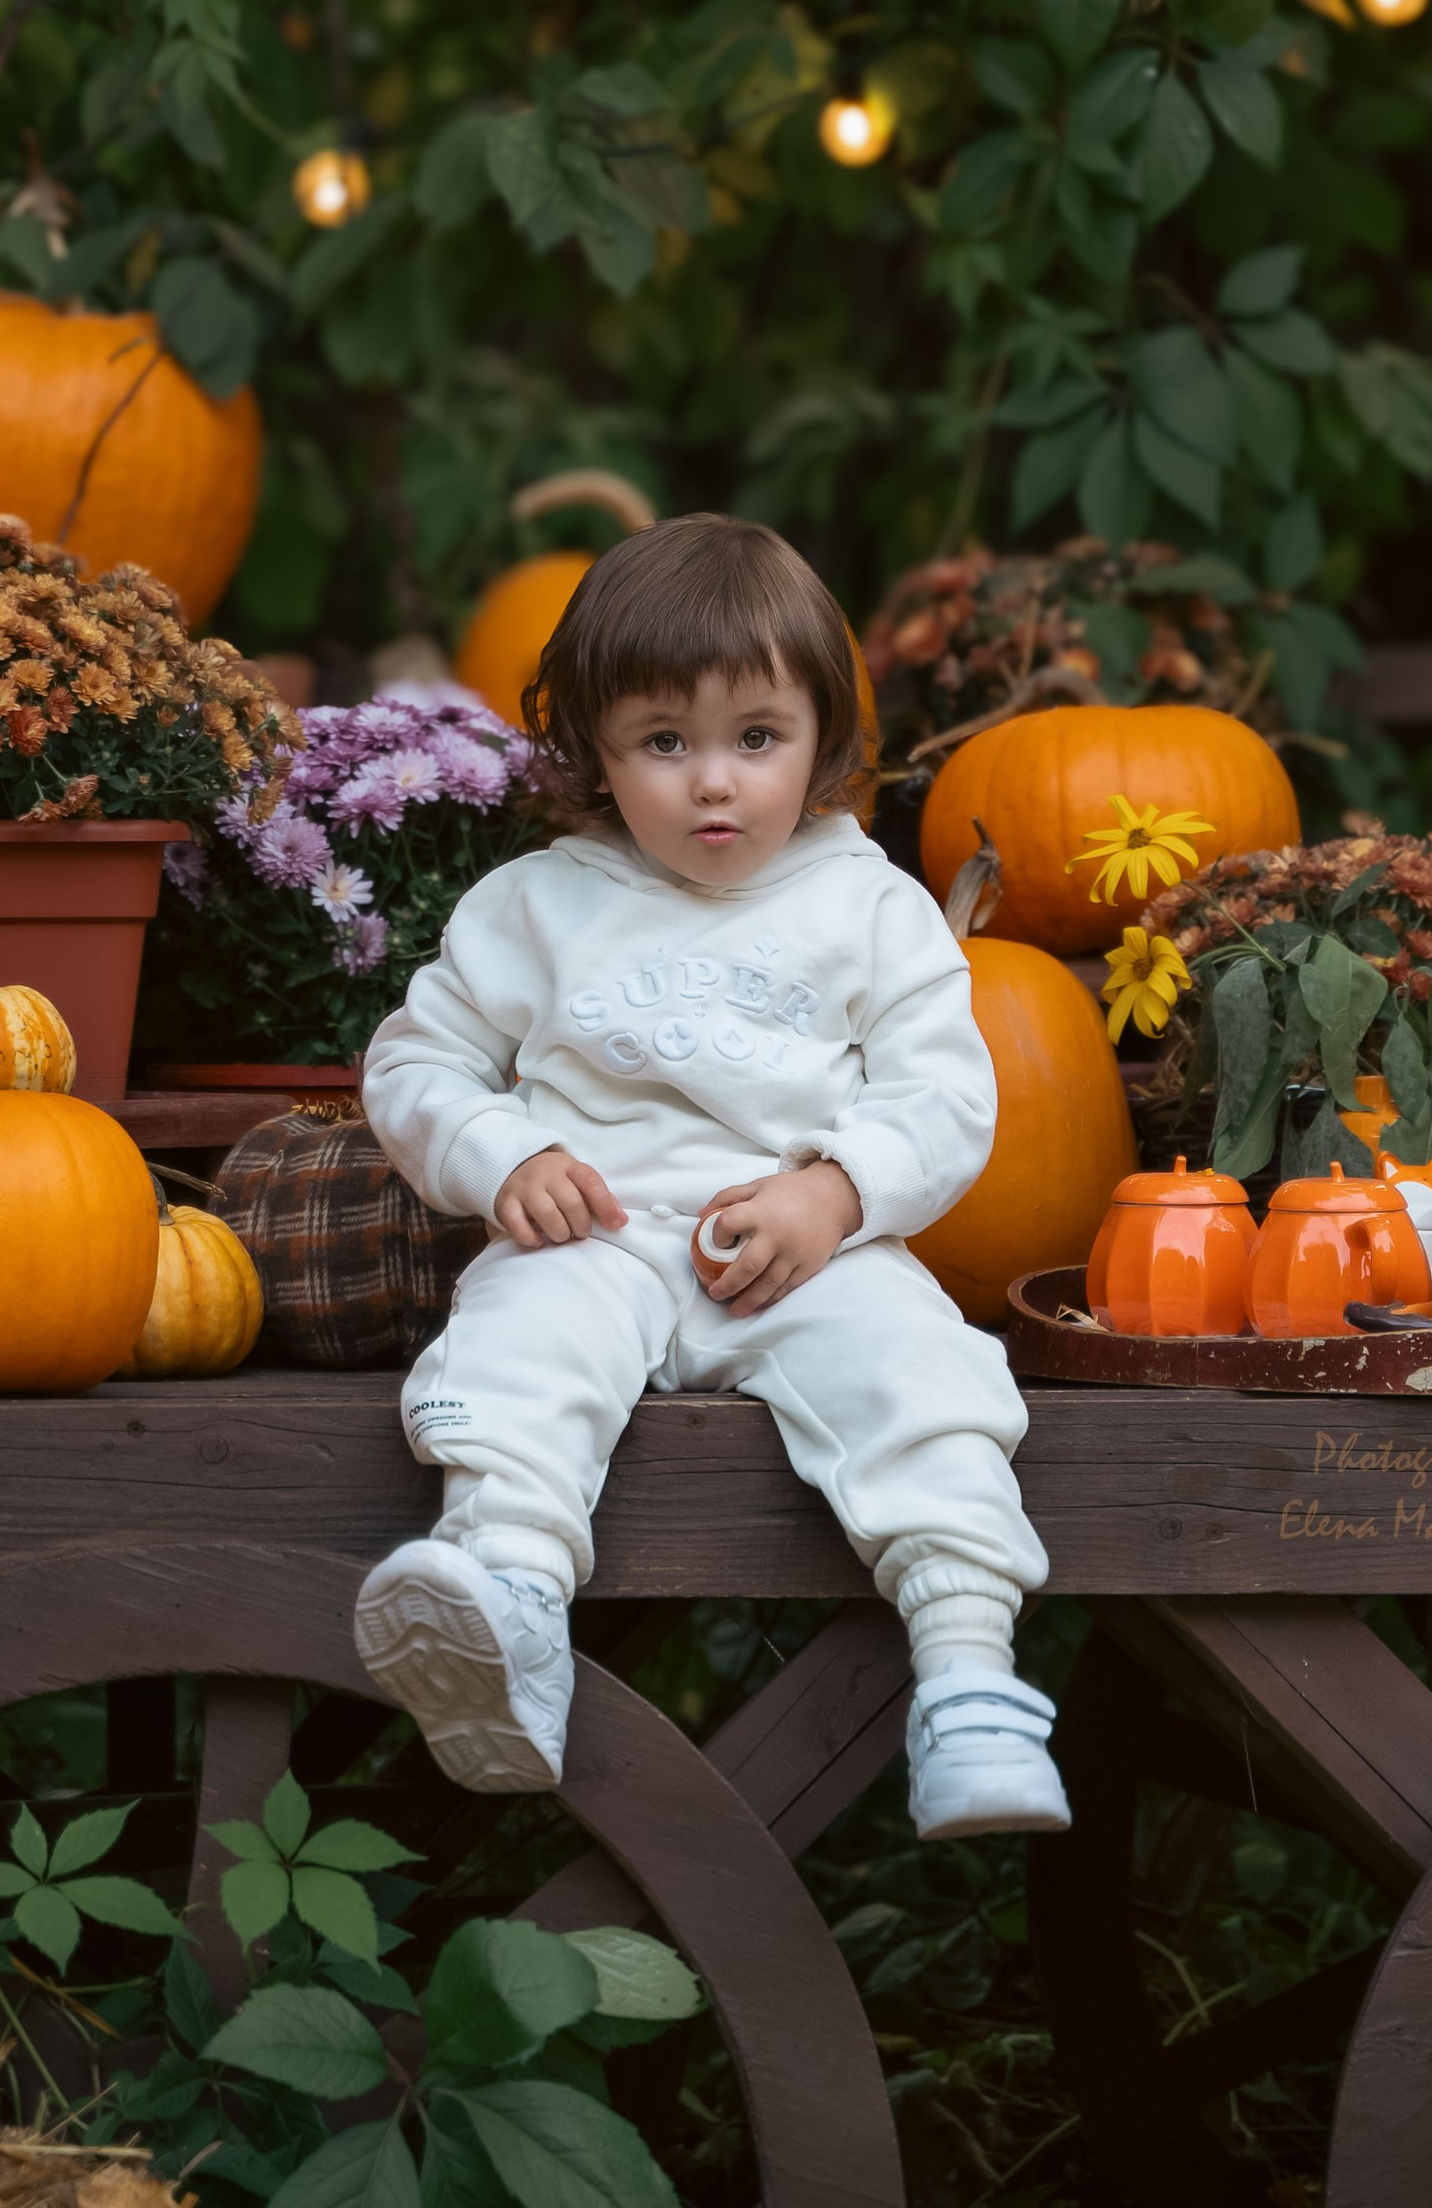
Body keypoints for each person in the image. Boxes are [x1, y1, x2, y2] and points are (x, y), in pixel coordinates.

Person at [355, 514, 1068, 1838]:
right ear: (594, 750)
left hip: (805, 1253)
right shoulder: (536, 906)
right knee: (518, 1348)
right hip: (596, 1235)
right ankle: (507, 1601)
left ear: (825, 736)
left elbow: (943, 1098)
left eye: (757, 736)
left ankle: (970, 1674)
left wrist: (838, 1192)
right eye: (663, 743)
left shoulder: (872, 908)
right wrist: (505, 1155)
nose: (714, 783)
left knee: (922, 1376)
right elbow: (416, 1064)